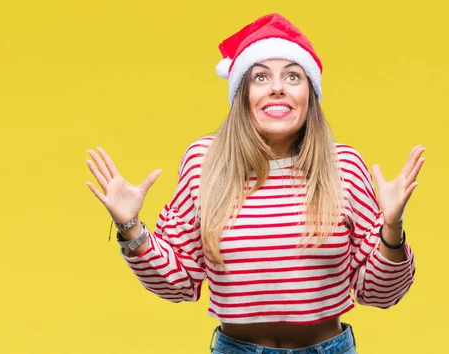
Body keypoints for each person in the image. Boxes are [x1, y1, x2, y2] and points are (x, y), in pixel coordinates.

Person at [85, 13, 425, 354]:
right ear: (242, 94)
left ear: (310, 93)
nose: (277, 87)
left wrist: (392, 229)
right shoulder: (205, 162)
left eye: (293, 76)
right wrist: (130, 228)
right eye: (260, 77)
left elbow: (380, 294)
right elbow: (181, 282)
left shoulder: (343, 166)